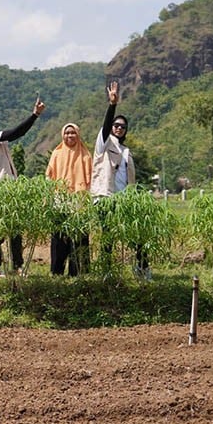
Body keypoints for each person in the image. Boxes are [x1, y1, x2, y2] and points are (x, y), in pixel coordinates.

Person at [0, 96, 45, 276]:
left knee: (15, 228)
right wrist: (34, 115)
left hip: (9, 186)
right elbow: (16, 133)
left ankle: (17, 266)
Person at [90, 82, 147, 278]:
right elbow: (106, 127)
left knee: (137, 233)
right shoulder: (103, 144)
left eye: (123, 126)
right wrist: (112, 105)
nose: (119, 128)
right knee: (108, 235)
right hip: (105, 197)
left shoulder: (125, 151)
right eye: (116, 125)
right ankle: (107, 272)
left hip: (124, 199)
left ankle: (142, 269)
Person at [45, 122, 92, 276]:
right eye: (67, 133)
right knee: (59, 236)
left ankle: (78, 271)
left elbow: (90, 178)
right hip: (60, 199)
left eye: (73, 133)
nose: (70, 135)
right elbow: (49, 176)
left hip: (79, 199)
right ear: (62, 135)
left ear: (78, 135)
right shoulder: (57, 153)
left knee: (79, 237)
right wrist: (49, 197)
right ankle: (57, 271)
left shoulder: (85, 154)